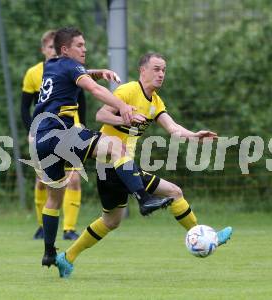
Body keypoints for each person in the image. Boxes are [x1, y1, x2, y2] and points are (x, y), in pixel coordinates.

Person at [54, 52, 233, 278]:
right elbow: (101, 115)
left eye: (164, 70)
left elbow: (173, 128)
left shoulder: (156, 102)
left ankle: (66, 257)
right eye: (156, 69)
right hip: (113, 163)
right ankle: (205, 236)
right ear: (143, 71)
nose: (161, 74)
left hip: (115, 166)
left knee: (111, 221)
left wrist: (194, 135)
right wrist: (124, 118)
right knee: (174, 192)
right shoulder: (128, 91)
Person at [31, 27, 174, 271]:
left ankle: (48, 252)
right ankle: (144, 198)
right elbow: (95, 90)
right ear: (66, 49)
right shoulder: (69, 65)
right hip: (62, 135)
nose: (84, 49)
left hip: (41, 140)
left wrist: (97, 72)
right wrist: (123, 106)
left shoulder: (52, 65)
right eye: (79, 45)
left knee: (55, 197)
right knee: (115, 146)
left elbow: (80, 75)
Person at [21, 30, 84, 241]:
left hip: (69, 129)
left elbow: (80, 98)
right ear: (43, 49)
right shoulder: (34, 73)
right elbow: (25, 107)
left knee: (74, 179)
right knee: (43, 182)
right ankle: (42, 226)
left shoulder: (72, 67)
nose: (51, 51)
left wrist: (81, 123)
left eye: (53, 47)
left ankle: (69, 228)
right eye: (48, 47)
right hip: (44, 132)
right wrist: (31, 130)